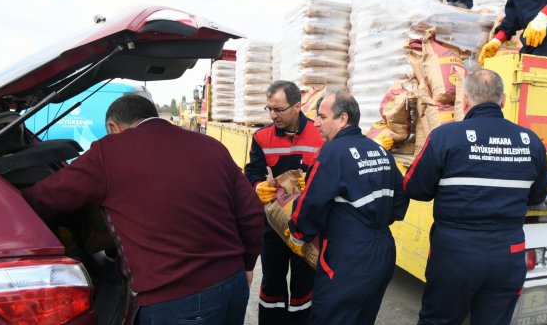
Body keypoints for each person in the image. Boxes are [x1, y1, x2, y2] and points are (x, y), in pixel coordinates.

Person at [22, 94, 264, 325]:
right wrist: (248, 264)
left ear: (112, 126)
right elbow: (252, 212)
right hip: (233, 286)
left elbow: (45, 198)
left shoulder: (109, 152)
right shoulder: (211, 146)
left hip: (176, 302)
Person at [403, 69, 547, 325]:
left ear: (465, 102)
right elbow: (538, 195)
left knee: (439, 320)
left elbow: (415, 188)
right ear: (503, 100)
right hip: (509, 252)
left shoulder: (445, 136)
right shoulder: (531, 141)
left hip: (454, 253)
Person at [287, 92, 410, 324]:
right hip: (383, 252)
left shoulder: (333, 152)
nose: (316, 122)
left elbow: (309, 205)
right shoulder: (380, 151)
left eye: (322, 116)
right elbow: (401, 198)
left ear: (342, 119)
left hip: (349, 258)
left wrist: (298, 233)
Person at [244, 80, 324, 325]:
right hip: (274, 226)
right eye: (269, 108)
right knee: (272, 282)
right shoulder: (261, 137)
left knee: (304, 285)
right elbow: (254, 171)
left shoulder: (320, 133)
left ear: (297, 106)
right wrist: (259, 187)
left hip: (308, 225)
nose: (273, 115)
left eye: (278, 109)